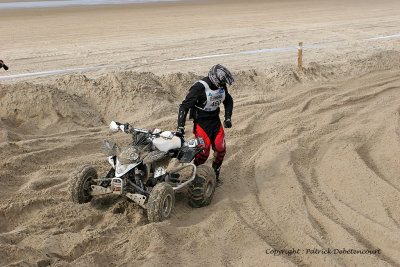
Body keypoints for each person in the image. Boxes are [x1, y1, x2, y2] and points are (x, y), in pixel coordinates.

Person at [176, 64, 234, 185]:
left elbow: (228, 100)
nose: (223, 84)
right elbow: (184, 106)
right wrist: (180, 127)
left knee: (221, 149)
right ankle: (194, 175)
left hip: (215, 120)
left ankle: (215, 175)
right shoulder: (199, 88)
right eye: (221, 81)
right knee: (203, 152)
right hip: (201, 122)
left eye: (224, 82)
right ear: (214, 77)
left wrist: (228, 117)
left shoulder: (221, 85)